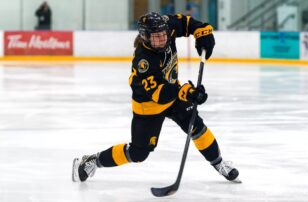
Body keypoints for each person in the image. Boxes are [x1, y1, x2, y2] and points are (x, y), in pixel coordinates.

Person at [72, 12, 240, 184]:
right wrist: (187, 92)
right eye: (156, 37)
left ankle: (219, 164)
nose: (162, 40)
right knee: (138, 154)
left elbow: (187, 22)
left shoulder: (166, 25)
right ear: (144, 37)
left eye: (163, 35)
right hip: (149, 105)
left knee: (197, 127)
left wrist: (202, 32)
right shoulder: (144, 60)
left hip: (173, 94)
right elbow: (160, 95)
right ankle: (92, 161)